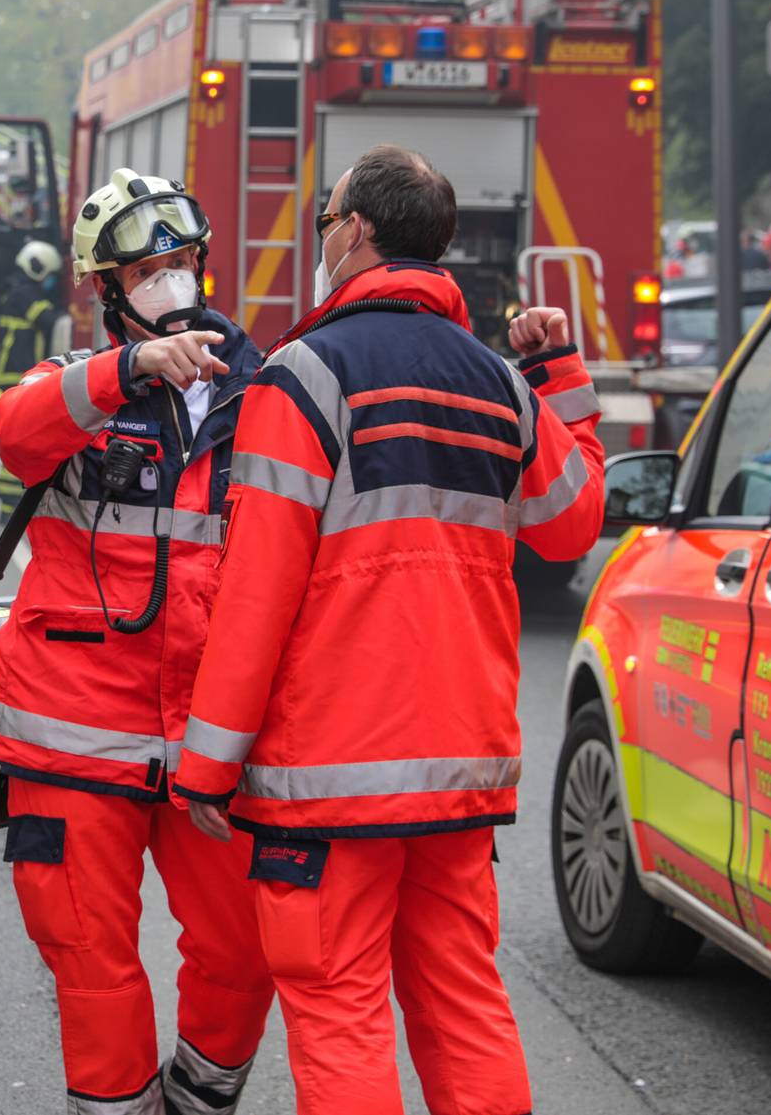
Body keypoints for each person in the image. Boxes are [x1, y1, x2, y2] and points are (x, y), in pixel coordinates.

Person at [173, 146, 606, 1115]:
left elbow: (257, 591)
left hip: (329, 778)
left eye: (327, 220)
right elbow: (572, 522)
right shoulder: (498, 382)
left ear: (357, 232)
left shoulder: (303, 376)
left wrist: (208, 761)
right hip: (461, 771)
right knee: (463, 1000)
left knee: (337, 1008)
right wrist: (561, 373)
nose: (325, 236)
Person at [0, 167, 274, 1115]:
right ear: (104, 288)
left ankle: (197, 1099)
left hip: (213, 739)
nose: (170, 279)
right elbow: (17, 433)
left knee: (245, 948)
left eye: (181, 260)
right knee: (90, 958)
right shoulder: (71, 390)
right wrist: (131, 372)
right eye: (146, 268)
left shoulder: (266, 391)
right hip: (76, 733)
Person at [0, 239, 63, 522]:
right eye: (49, 276)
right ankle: (10, 502)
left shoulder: (17, 288)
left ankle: (9, 501)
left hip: (17, 375)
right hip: (17, 374)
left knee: (20, 438)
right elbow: (47, 319)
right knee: (20, 439)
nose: (50, 281)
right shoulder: (23, 293)